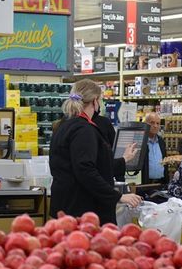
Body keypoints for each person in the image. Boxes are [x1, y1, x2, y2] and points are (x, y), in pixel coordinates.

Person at [49, 79, 142, 225]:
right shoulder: (83, 130)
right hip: (84, 211)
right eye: (101, 100)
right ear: (94, 101)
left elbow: (95, 164)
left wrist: (123, 159)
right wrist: (117, 196)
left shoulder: (64, 125)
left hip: (66, 206)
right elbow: (85, 170)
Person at [92, 104, 139, 182]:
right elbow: (115, 152)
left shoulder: (67, 122)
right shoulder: (103, 123)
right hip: (102, 178)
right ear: (95, 101)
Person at [140, 112, 167, 185]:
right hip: (145, 183)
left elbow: (164, 162)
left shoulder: (161, 142)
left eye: (158, 123)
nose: (155, 126)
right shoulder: (140, 141)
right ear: (145, 124)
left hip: (161, 183)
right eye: (152, 123)